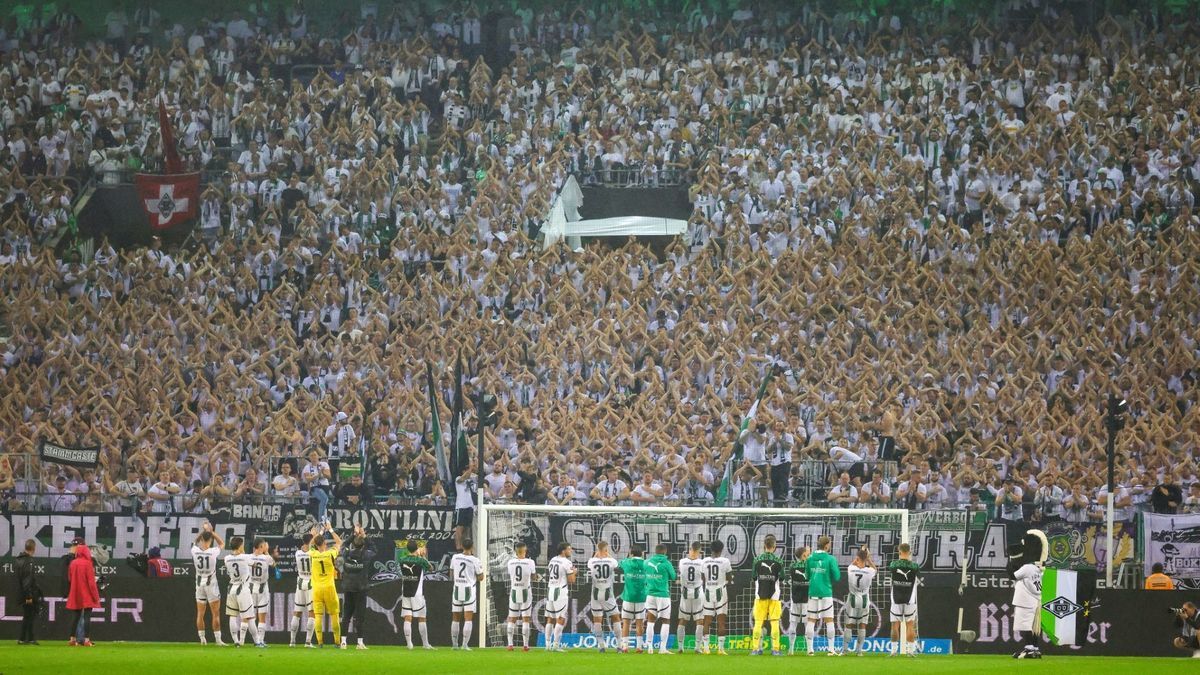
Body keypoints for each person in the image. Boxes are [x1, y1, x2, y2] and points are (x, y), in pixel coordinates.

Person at [805, 534, 841, 655]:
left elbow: (806, 576)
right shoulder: (830, 559)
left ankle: (810, 650)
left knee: (811, 620)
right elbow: (837, 576)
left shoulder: (809, 558)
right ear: (826, 546)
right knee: (829, 620)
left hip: (813, 592)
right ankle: (831, 649)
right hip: (826, 592)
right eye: (829, 544)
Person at [340, 524, 374, 650]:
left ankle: (343, 642)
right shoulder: (365, 555)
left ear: (353, 545)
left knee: (346, 616)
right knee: (360, 617)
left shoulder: (346, 554)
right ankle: (360, 643)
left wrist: (353, 535)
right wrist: (364, 536)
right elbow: (374, 548)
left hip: (348, 589)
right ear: (363, 545)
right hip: (360, 590)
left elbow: (342, 545)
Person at [749, 534, 784, 656]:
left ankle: (755, 649)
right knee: (774, 622)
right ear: (774, 547)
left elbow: (753, 576)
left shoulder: (757, 560)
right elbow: (783, 578)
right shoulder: (779, 561)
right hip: (774, 596)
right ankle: (775, 649)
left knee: (758, 622)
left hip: (760, 595)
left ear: (764, 546)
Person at [308, 524, 343, 648]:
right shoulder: (330, 554)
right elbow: (339, 542)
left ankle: (320, 642)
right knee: (334, 615)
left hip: (317, 589)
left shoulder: (313, 554)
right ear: (324, 543)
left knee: (318, 616)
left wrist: (319, 533)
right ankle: (337, 642)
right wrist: (330, 529)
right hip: (329, 588)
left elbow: (310, 545)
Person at [191, 522, 225, 645]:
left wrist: (203, 532)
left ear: (201, 540)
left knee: (200, 613)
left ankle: (202, 639)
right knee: (215, 613)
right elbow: (222, 543)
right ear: (210, 540)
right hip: (211, 584)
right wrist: (211, 532)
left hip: (199, 584)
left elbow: (194, 542)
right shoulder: (213, 551)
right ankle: (218, 640)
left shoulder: (195, 551)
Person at [397, 539, 434, 649]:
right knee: (422, 617)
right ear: (416, 548)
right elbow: (431, 568)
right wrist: (422, 556)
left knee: (407, 618)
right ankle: (425, 644)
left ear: (407, 549)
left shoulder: (402, 559)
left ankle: (409, 644)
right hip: (417, 592)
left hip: (406, 591)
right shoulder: (420, 560)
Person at [223, 536, 259, 648]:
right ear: (240, 546)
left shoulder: (226, 558)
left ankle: (236, 641)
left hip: (231, 589)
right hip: (243, 589)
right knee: (250, 617)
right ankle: (257, 642)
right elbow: (255, 564)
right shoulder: (245, 557)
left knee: (232, 616)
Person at [586, 540, 620, 653]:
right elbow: (616, 564)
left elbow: (592, 561)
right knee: (615, 617)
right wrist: (606, 554)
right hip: (607, 594)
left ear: (597, 549)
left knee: (597, 620)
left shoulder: (592, 561)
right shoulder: (611, 561)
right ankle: (619, 646)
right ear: (606, 549)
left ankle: (601, 646)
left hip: (595, 594)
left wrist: (598, 554)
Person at [449, 538, 483, 651]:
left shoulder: (455, 557)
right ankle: (464, 645)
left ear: (462, 546)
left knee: (455, 618)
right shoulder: (475, 560)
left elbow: (451, 573)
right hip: (469, 590)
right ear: (472, 547)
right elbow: (481, 577)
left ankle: (454, 644)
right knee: (468, 618)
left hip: (457, 589)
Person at [888, 543, 921, 658]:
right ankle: (910, 651)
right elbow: (917, 572)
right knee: (910, 625)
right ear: (910, 552)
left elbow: (892, 570)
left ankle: (893, 651)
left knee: (894, 626)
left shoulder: (893, 565)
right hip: (910, 598)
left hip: (896, 598)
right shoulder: (915, 566)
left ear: (899, 551)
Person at [65, 538, 99, 647]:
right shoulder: (88, 564)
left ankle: (72, 639)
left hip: (75, 592)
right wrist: (95, 596)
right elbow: (91, 583)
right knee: (87, 617)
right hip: (87, 594)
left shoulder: (73, 563)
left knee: (75, 617)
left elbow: (70, 579)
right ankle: (86, 640)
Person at [701, 540, 733, 655]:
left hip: (708, 592)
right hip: (721, 592)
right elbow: (729, 578)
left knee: (707, 621)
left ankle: (706, 648)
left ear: (711, 549)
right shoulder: (725, 561)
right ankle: (720, 649)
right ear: (721, 549)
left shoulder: (704, 561)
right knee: (721, 621)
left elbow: (703, 578)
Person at [544, 541, 577, 652]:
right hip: (560, 592)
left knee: (550, 618)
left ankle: (547, 645)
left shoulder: (552, 560)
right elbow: (572, 580)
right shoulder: (567, 562)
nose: (570, 550)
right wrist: (574, 572)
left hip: (550, 590)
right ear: (563, 551)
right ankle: (556, 645)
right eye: (569, 549)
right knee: (561, 618)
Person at [643, 543, 675, 654]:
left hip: (650, 595)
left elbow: (643, 573)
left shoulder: (646, 562)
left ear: (655, 551)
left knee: (650, 621)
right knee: (665, 621)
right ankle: (662, 648)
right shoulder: (666, 563)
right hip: (663, 595)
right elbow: (674, 577)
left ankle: (650, 647)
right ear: (665, 552)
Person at [845, 546, 878, 655]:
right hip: (864, 600)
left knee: (849, 624)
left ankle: (845, 650)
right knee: (862, 624)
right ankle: (859, 651)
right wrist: (868, 558)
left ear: (857, 558)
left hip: (852, 599)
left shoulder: (851, 569)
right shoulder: (869, 571)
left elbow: (854, 562)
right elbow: (875, 569)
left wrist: (861, 554)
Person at [505, 541, 537, 651]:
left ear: (515, 550)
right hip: (525, 591)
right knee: (526, 619)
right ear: (525, 549)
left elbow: (511, 574)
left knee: (512, 618)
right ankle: (525, 645)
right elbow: (533, 577)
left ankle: (510, 645)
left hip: (514, 591)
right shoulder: (530, 562)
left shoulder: (510, 562)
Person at [676, 541, 706, 654]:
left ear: (690, 549)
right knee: (700, 620)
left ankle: (680, 647)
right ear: (699, 551)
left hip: (685, 593)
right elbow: (704, 577)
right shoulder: (702, 562)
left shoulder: (682, 561)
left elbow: (681, 575)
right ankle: (697, 647)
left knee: (682, 620)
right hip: (698, 592)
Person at [247, 538, 277, 648]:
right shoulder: (266, 557)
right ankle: (260, 640)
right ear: (261, 547)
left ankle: (243, 641)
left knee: (250, 616)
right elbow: (274, 565)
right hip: (262, 589)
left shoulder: (247, 557)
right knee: (262, 617)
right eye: (264, 545)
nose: (265, 546)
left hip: (251, 588)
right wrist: (267, 551)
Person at [289, 529, 316, 647]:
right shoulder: (313, 553)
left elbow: (305, 547)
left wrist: (311, 537)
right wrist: (316, 535)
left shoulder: (297, 553)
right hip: (311, 582)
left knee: (297, 612)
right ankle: (308, 641)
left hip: (300, 583)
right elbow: (312, 548)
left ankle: (292, 641)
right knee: (312, 612)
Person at [619, 547, 647, 653]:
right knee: (640, 623)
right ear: (642, 554)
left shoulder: (626, 562)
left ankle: (625, 646)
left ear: (630, 554)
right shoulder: (645, 564)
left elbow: (619, 563)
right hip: (641, 597)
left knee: (626, 623)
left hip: (628, 597)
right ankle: (639, 647)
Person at [785, 546, 809, 656]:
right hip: (806, 599)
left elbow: (788, 581)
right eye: (806, 553)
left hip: (795, 598)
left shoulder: (792, 566)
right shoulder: (808, 565)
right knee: (807, 624)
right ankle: (809, 649)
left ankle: (791, 649)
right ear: (803, 555)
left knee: (793, 623)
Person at [16, 539, 41, 645]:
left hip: (21, 592)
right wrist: (29, 596)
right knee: (29, 616)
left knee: (27, 616)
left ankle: (24, 638)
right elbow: (27, 580)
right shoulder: (28, 561)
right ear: (33, 548)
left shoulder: (19, 560)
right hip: (28, 593)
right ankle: (27, 638)